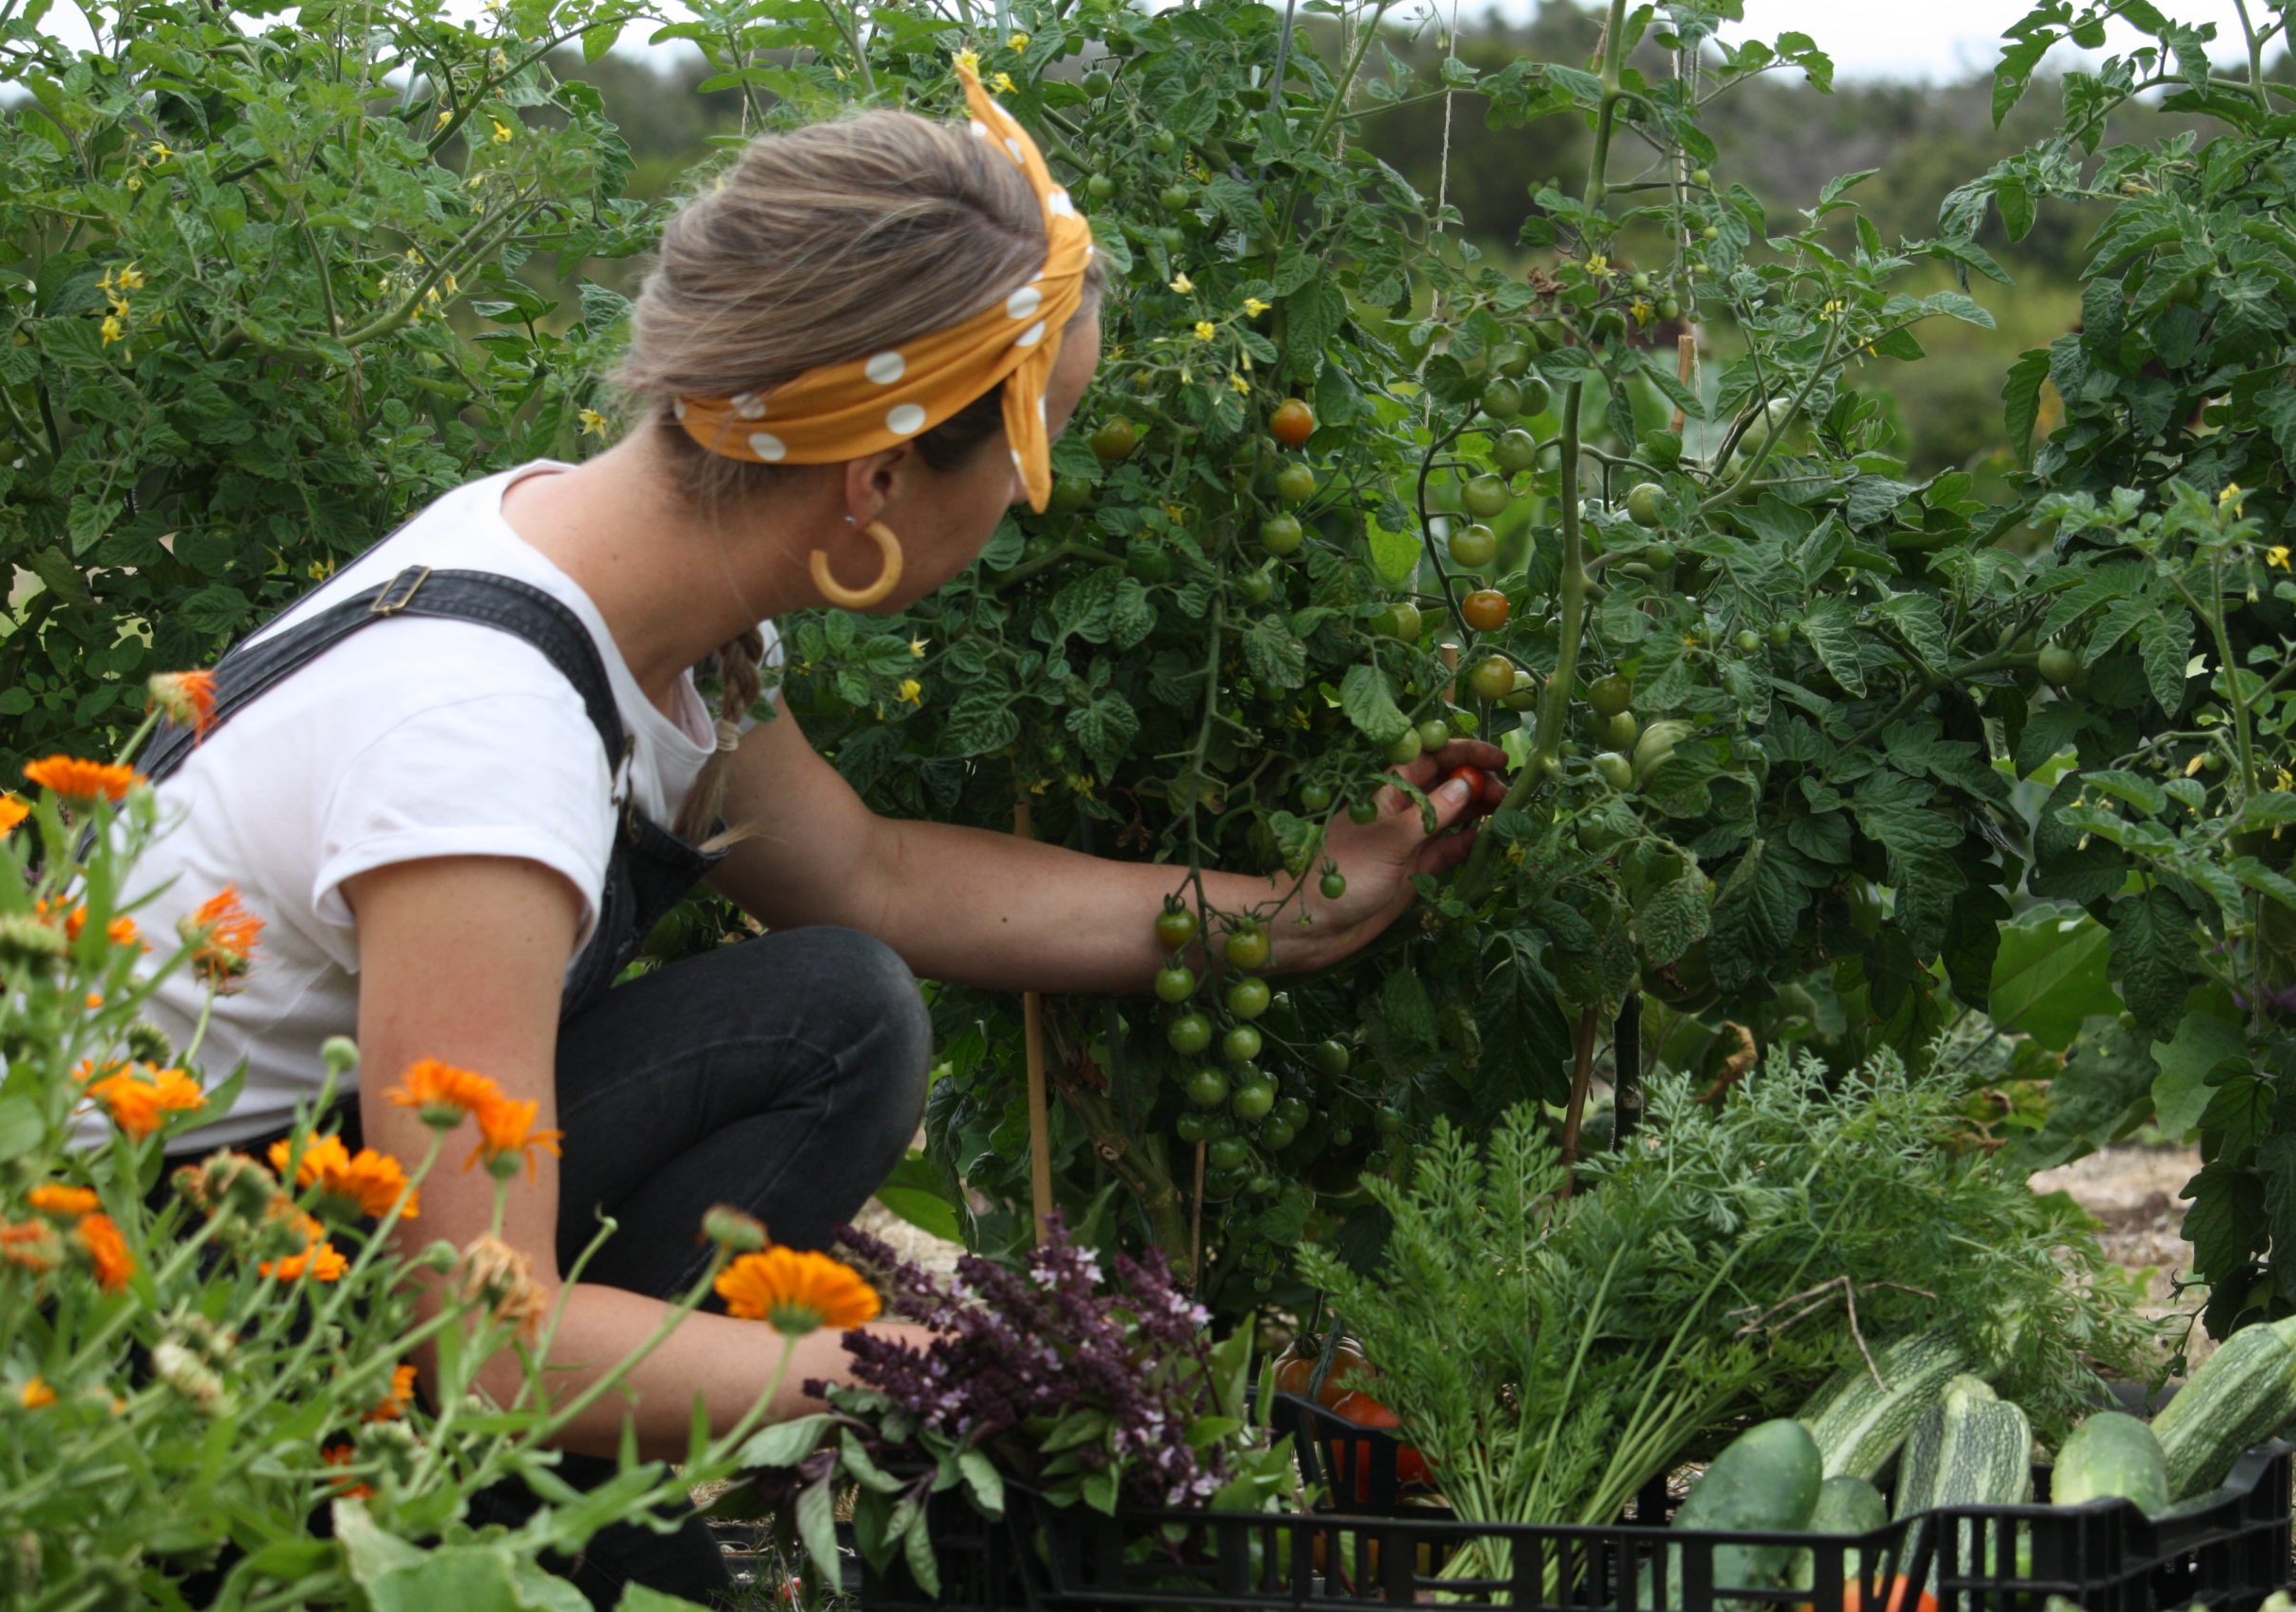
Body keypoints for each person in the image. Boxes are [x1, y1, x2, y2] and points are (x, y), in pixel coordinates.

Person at [114, 59, 1506, 1603]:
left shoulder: (618, 595)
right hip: (151, 1351)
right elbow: (477, 1341)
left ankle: (568, 1510)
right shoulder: (479, 748)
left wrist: (1285, 913)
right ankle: (478, 1541)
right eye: (1035, 461)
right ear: (882, 480)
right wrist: (916, 1374)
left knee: (838, 1007)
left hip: (306, 1226)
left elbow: (870, 876)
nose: (1024, 519)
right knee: (827, 1053)